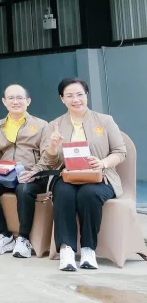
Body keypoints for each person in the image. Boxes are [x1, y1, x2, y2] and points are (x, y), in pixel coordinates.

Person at [41, 78, 127, 272]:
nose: (76, 99)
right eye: (69, 95)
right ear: (62, 98)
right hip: (67, 176)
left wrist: (102, 163)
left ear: (86, 95)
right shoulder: (54, 125)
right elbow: (49, 162)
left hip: (100, 177)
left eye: (80, 94)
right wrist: (53, 146)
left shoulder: (105, 120)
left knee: (89, 194)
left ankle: (88, 249)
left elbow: (120, 152)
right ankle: (67, 250)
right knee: (64, 194)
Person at [0, 84, 50, 258]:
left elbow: (48, 155)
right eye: (11, 98)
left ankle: (23, 238)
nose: (15, 102)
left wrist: (35, 172)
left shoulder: (41, 125)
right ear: (4, 101)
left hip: (33, 174)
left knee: (23, 189)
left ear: (28, 101)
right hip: (5, 176)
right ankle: (4, 235)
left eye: (20, 98)